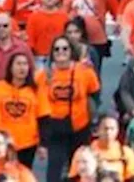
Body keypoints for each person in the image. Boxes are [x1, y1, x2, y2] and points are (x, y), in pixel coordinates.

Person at [36, 35, 102, 180]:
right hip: (55, 128)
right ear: (52, 53)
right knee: (55, 168)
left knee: (80, 167)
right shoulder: (43, 76)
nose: (61, 52)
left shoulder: (84, 71)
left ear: (71, 51)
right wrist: (42, 137)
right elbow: (40, 106)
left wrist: (91, 114)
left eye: (65, 48)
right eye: (56, 49)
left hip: (80, 126)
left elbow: (95, 93)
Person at [0, 52, 40, 167]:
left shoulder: (35, 90)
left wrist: (43, 144)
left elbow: (43, 118)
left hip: (26, 144)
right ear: (10, 67)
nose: (22, 67)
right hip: (1, 144)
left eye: (25, 64)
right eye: (18, 64)